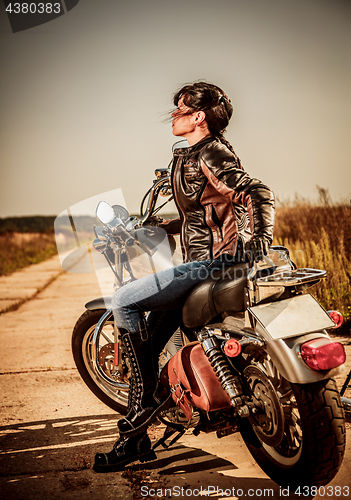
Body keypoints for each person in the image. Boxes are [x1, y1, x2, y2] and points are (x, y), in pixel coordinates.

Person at [93, 81, 275, 472]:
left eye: (180, 109)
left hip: (210, 263)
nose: (173, 115)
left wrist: (259, 241)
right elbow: (206, 213)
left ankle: (140, 410)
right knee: (154, 335)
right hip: (204, 259)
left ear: (198, 117)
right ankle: (137, 436)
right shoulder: (193, 155)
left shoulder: (210, 151)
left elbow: (257, 192)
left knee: (124, 299)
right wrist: (162, 226)